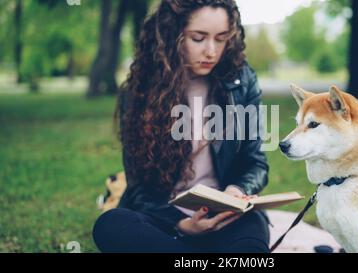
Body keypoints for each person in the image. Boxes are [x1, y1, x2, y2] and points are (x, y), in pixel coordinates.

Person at [92, 0, 270, 253]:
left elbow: (255, 163)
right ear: (172, 34)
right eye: (198, 38)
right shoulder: (139, 91)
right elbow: (140, 188)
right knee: (110, 225)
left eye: (221, 39)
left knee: (251, 233)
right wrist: (182, 223)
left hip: (224, 218)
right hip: (165, 221)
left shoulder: (241, 81)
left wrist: (236, 191)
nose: (211, 51)